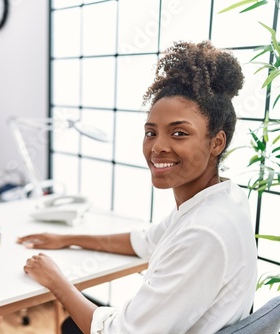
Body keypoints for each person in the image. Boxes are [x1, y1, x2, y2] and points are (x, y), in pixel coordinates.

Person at [17, 41, 258, 333]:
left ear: (216, 142)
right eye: (150, 132)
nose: (158, 147)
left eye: (179, 133)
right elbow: (144, 241)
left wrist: (55, 280)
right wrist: (67, 239)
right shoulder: (222, 199)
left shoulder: (204, 231)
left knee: (70, 324)